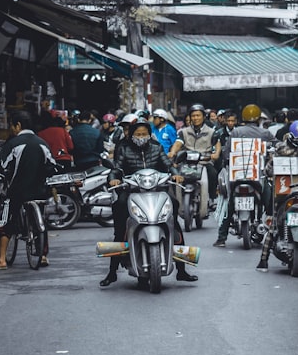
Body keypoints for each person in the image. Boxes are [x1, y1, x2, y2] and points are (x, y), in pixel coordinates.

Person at [100, 121, 196, 286]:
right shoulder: (124, 148)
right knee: (120, 218)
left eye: (144, 134)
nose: (141, 137)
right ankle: (112, 271)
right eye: (138, 134)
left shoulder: (156, 147)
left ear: (149, 134)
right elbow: (116, 168)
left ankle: (181, 270)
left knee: (173, 217)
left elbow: (168, 164)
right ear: (131, 135)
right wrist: (113, 179)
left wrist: (175, 174)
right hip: (131, 191)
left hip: (157, 190)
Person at [0, 110, 55, 270]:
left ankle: (1, 260)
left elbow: (0, 164)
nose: (11, 129)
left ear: (18, 125)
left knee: (5, 220)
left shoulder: (15, 143)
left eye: (12, 126)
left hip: (18, 191)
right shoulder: (43, 143)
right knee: (40, 222)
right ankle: (43, 256)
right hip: (39, 191)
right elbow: (51, 165)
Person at [256, 120, 298, 271]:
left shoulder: (279, 150)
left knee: (274, 226)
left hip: (283, 194)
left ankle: (263, 261)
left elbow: (268, 171)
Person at [213, 105, 276, 247]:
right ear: (259, 118)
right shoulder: (265, 133)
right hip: (257, 175)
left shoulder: (235, 132)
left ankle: (221, 238)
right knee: (269, 199)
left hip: (237, 175)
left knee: (229, 205)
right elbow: (277, 146)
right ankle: (274, 232)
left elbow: (226, 153)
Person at [170, 103, 220, 208]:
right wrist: (172, 152)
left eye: (198, 115)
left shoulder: (212, 132)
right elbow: (178, 143)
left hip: (204, 160)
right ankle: (178, 199)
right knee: (175, 175)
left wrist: (216, 154)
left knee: (213, 173)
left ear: (203, 116)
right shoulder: (183, 132)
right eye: (193, 116)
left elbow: (217, 145)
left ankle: (211, 198)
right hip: (187, 161)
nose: (195, 118)